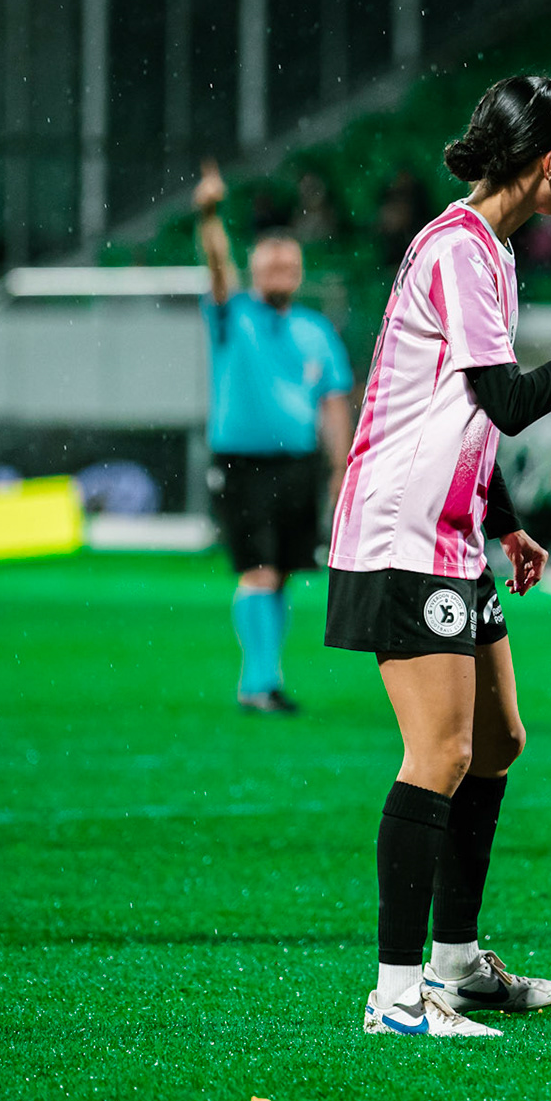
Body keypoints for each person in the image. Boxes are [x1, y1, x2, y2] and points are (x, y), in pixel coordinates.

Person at [325, 75, 551, 1038]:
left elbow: (464, 410)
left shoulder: (488, 250)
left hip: (451, 526)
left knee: (500, 740)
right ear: (549, 164)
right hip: (402, 532)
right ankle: (396, 998)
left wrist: (504, 515)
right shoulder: (457, 251)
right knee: (438, 751)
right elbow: (510, 402)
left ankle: (457, 966)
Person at [193, 161, 354, 716]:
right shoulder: (231, 314)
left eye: (290, 262)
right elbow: (218, 265)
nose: (282, 269)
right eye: (272, 262)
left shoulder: (317, 331)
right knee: (258, 570)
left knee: (280, 573)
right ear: (255, 271)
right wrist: (210, 215)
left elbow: (334, 404)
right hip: (242, 463)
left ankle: (266, 679)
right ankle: (258, 682)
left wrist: (340, 471)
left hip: (299, 465)